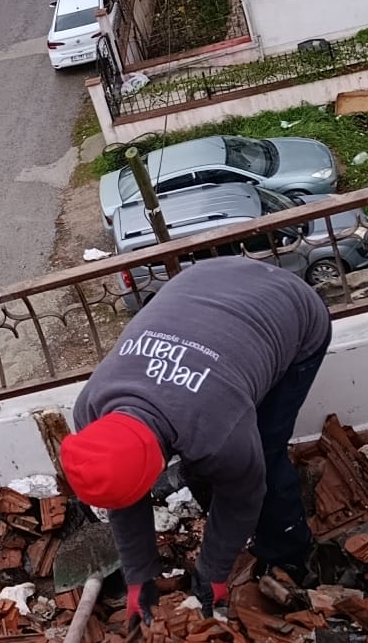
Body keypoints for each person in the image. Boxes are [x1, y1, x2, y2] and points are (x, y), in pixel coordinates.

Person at [59, 256, 331, 624]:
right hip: (206, 282)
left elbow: (243, 497)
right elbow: (121, 493)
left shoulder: (219, 431)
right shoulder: (90, 408)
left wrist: (213, 574)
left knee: (264, 452)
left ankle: (288, 551)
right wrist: (138, 574)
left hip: (291, 308)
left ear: (158, 466)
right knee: (216, 462)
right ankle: (210, 477)